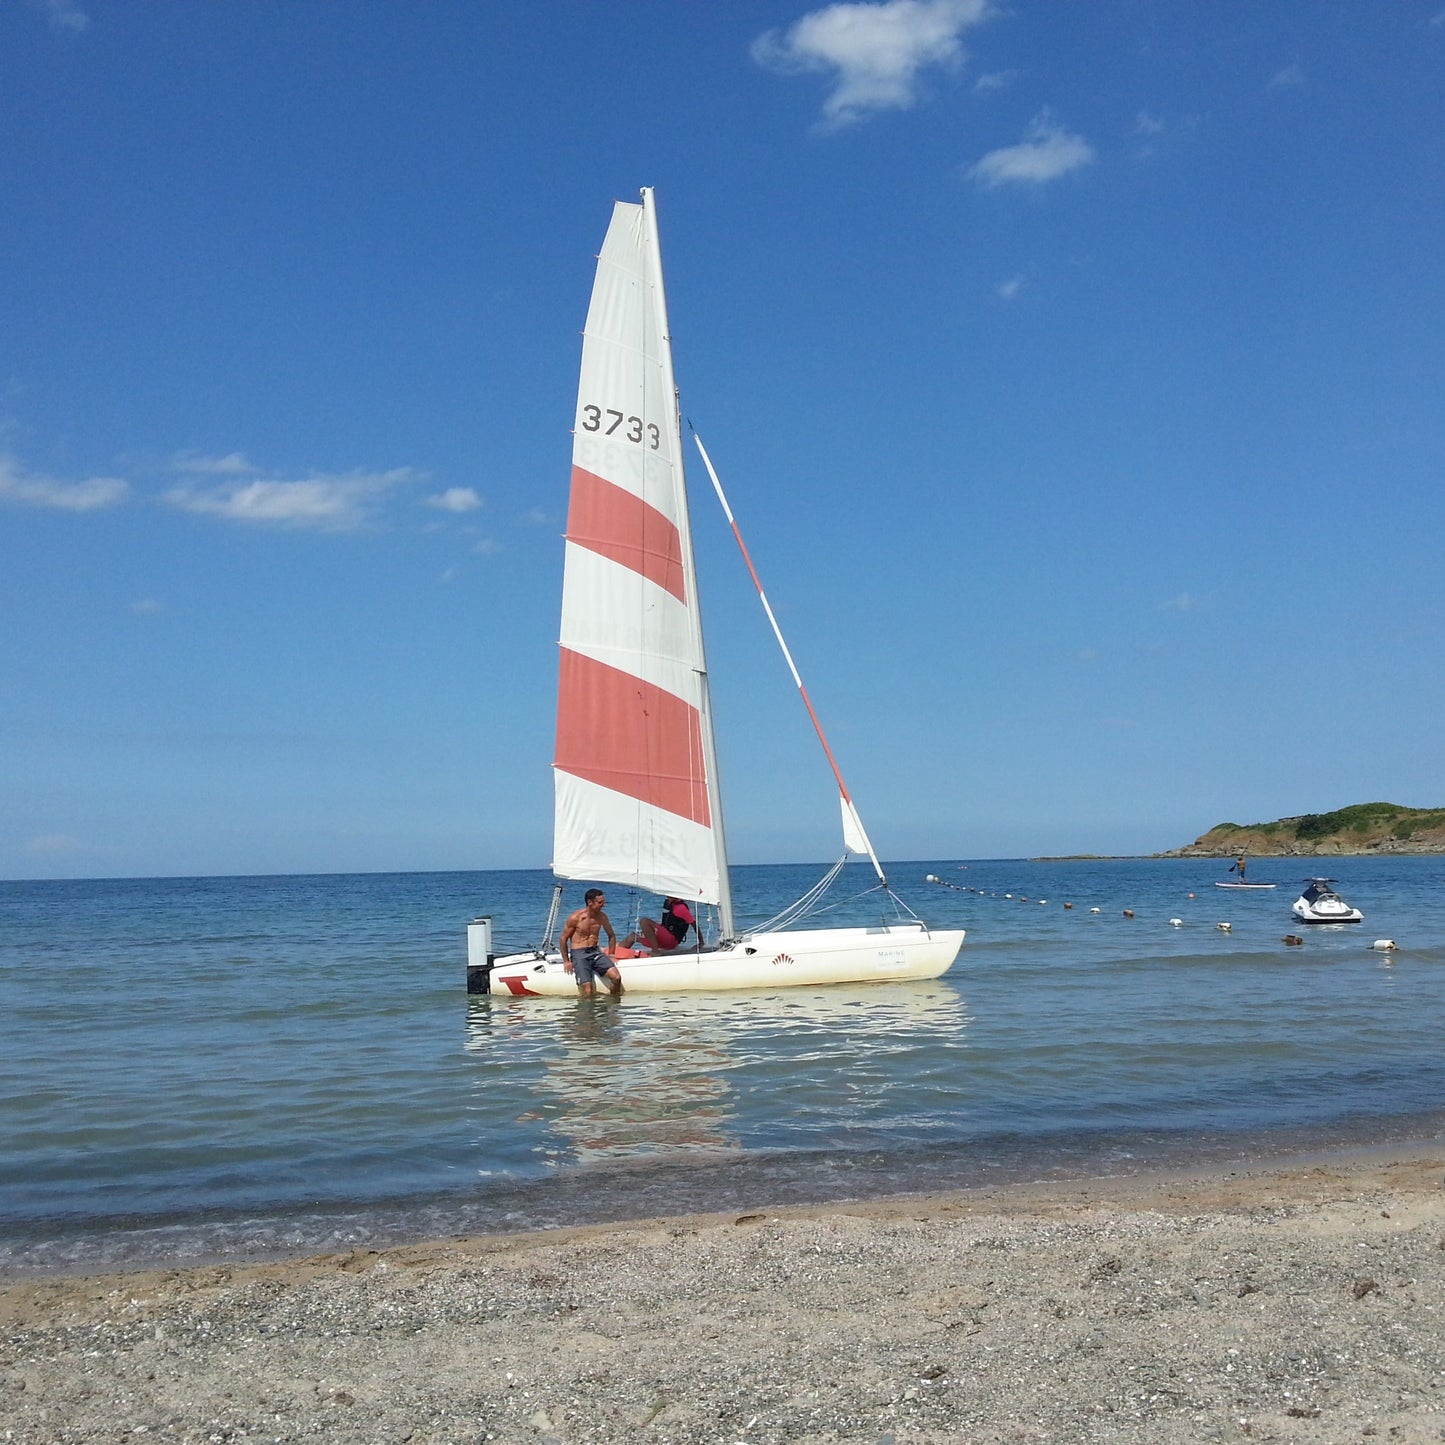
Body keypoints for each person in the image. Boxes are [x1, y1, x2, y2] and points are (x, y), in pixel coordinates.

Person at [560, 888, 623, 996]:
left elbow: (611, 935)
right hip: (579, 954)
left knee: (616, 978)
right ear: (590, 902)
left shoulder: (602, 917)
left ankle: (613, 1002)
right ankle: (589, 1005)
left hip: (595, 952)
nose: (603, 905)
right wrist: (566, 961)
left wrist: (611, 955)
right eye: (600, 903)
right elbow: (563, 939)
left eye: (604, 902)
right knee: (588, 991)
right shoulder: (576, 918)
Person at [621, 897, 695, 954]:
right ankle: (616, 954)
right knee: (633, 936)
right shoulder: (670, 905)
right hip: (664, 939)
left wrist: (700, 942)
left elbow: (694, 924)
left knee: (644, 921)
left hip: (671, 941)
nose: (667, 898)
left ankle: (655, 951)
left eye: (669, 896)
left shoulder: (680, 908)